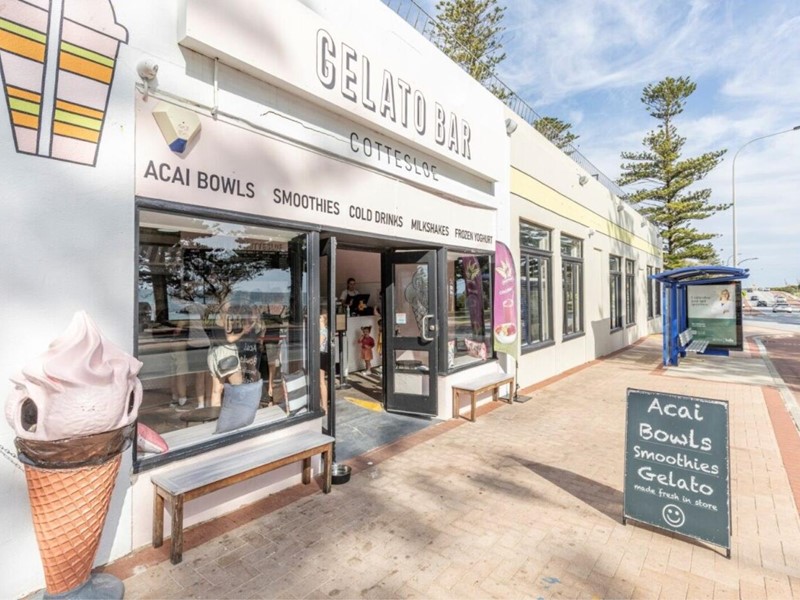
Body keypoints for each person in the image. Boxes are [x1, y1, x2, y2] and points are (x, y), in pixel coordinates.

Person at [319, 313, 329, 414]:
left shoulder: (322, 331)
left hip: (321, 356)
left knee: (321, 382)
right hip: (322, 355)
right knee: (321, 382)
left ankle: (325, 407)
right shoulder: (324, 330)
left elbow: (318, 344)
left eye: (319, 317)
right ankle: (323, 405)